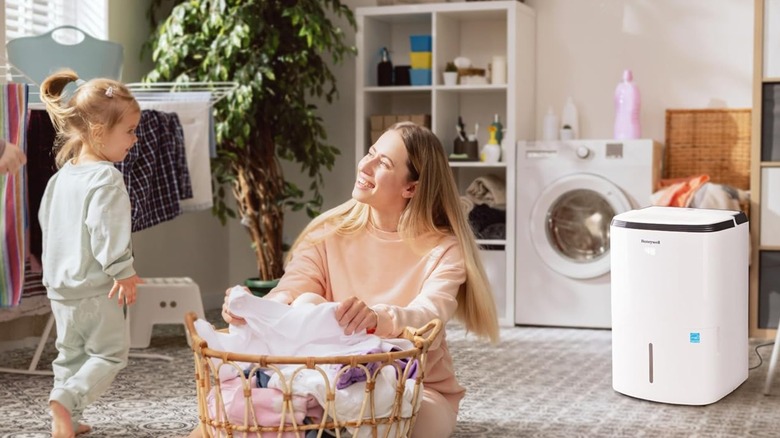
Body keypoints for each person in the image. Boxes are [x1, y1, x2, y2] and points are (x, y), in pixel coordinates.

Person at [201, 121, 499, 438]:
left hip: (414, 387)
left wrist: (376, 318)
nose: (365, 165)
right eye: (370, 153)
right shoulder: (327, 233)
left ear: (410, 188)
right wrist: (254, 310)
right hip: (320, 380)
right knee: (304, 307)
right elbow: (291, 292)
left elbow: (429, 315)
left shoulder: (443, 249)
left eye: (383, 163)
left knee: (383, 427)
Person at [38, 69, 143, 438]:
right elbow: (106, 230)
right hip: (99, 288)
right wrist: (123, 270)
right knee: (109, 354)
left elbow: (47, 225)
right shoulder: (106, 178)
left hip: (61, 288)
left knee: (70, 354)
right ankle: (68, 398)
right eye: (129, 130)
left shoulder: (61, 177)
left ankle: (66, 415)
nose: (135, 138)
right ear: (99, 131)